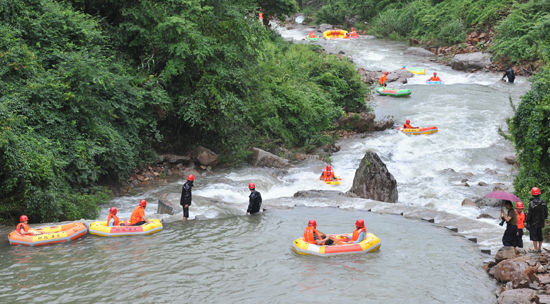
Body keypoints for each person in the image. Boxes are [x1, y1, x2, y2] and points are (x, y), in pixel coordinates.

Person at [526, 187, 547, 252]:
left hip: (533, 223)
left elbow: (529, 214)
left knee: (534, 235)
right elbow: (546, 212)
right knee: (540, 235)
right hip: (541, 222)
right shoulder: (543, 202)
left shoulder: (531, 203)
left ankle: (535, 249)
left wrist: (527, 220)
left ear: (532, 194)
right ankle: (539, 248)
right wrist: (544, 218)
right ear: (539, 194)